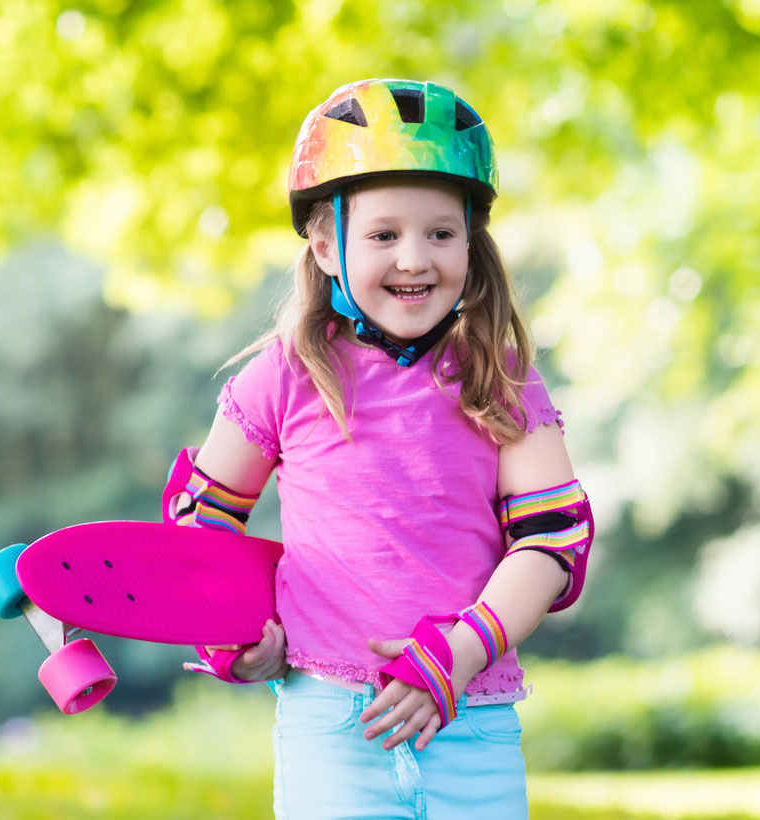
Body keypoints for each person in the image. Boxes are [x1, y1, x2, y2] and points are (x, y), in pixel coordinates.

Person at [163, 78, 593, 819]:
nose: (414, 259)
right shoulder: (287, 375)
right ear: (327, 243)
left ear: (470, 240)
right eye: (384, 234)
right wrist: (234, 639)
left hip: (472, 724)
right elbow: (199, 526)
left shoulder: (501, 375)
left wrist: (455, 656)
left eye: (441, 233)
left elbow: (554, 542)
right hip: (331, 725)